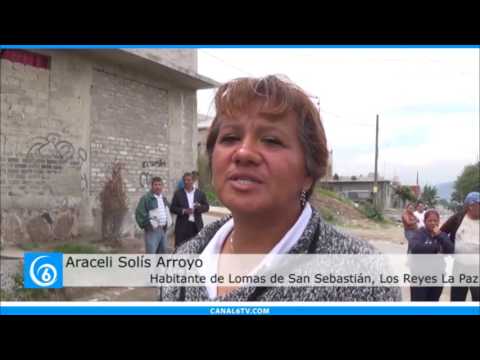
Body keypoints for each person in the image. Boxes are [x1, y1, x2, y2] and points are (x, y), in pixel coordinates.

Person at [160, 75, 400, 301]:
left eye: (272, 140)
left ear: (309, 171)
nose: (243, 153)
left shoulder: (362, 277)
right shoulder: (183, 262)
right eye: (230, 138)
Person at [440, 191, 480, 301]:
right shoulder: (458, 218)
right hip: (459, 265)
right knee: (457, 297)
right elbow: (442, 232)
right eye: (479, 204)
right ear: (470, 206)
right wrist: (447, 247)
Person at [409, 209, 454, 301]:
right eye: (430, 220)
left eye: (435, 220)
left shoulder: (443, 235)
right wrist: (436, 248)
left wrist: (439, 235)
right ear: (425, 222)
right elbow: (415, 248)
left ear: (439, 221)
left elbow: (451, 250)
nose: (433, 223)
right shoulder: (419, 233)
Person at [170, 172, 210, 248]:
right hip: (182, 226)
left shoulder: (200, 193)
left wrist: (199, 207)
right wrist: (184, 210)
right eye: (184, 180)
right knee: (181, 248)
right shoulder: (178, 194)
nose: (186, 182)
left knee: (196, 248)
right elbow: (172, 208)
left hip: (196, 226)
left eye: (188, 180)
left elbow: (207, 207)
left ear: (193, 181)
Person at [135, 177, 172, 254]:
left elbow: (167, 212)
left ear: (162, 186)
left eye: (159, 185)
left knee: (163, 254)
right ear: (152, 186)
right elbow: (139, 214)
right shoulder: (146, 198)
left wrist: (168, 223)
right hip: (152, 232)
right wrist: (148, 225)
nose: (158, 187)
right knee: (151, 255)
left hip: (163, 230)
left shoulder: (164, 199)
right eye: (155, 185)